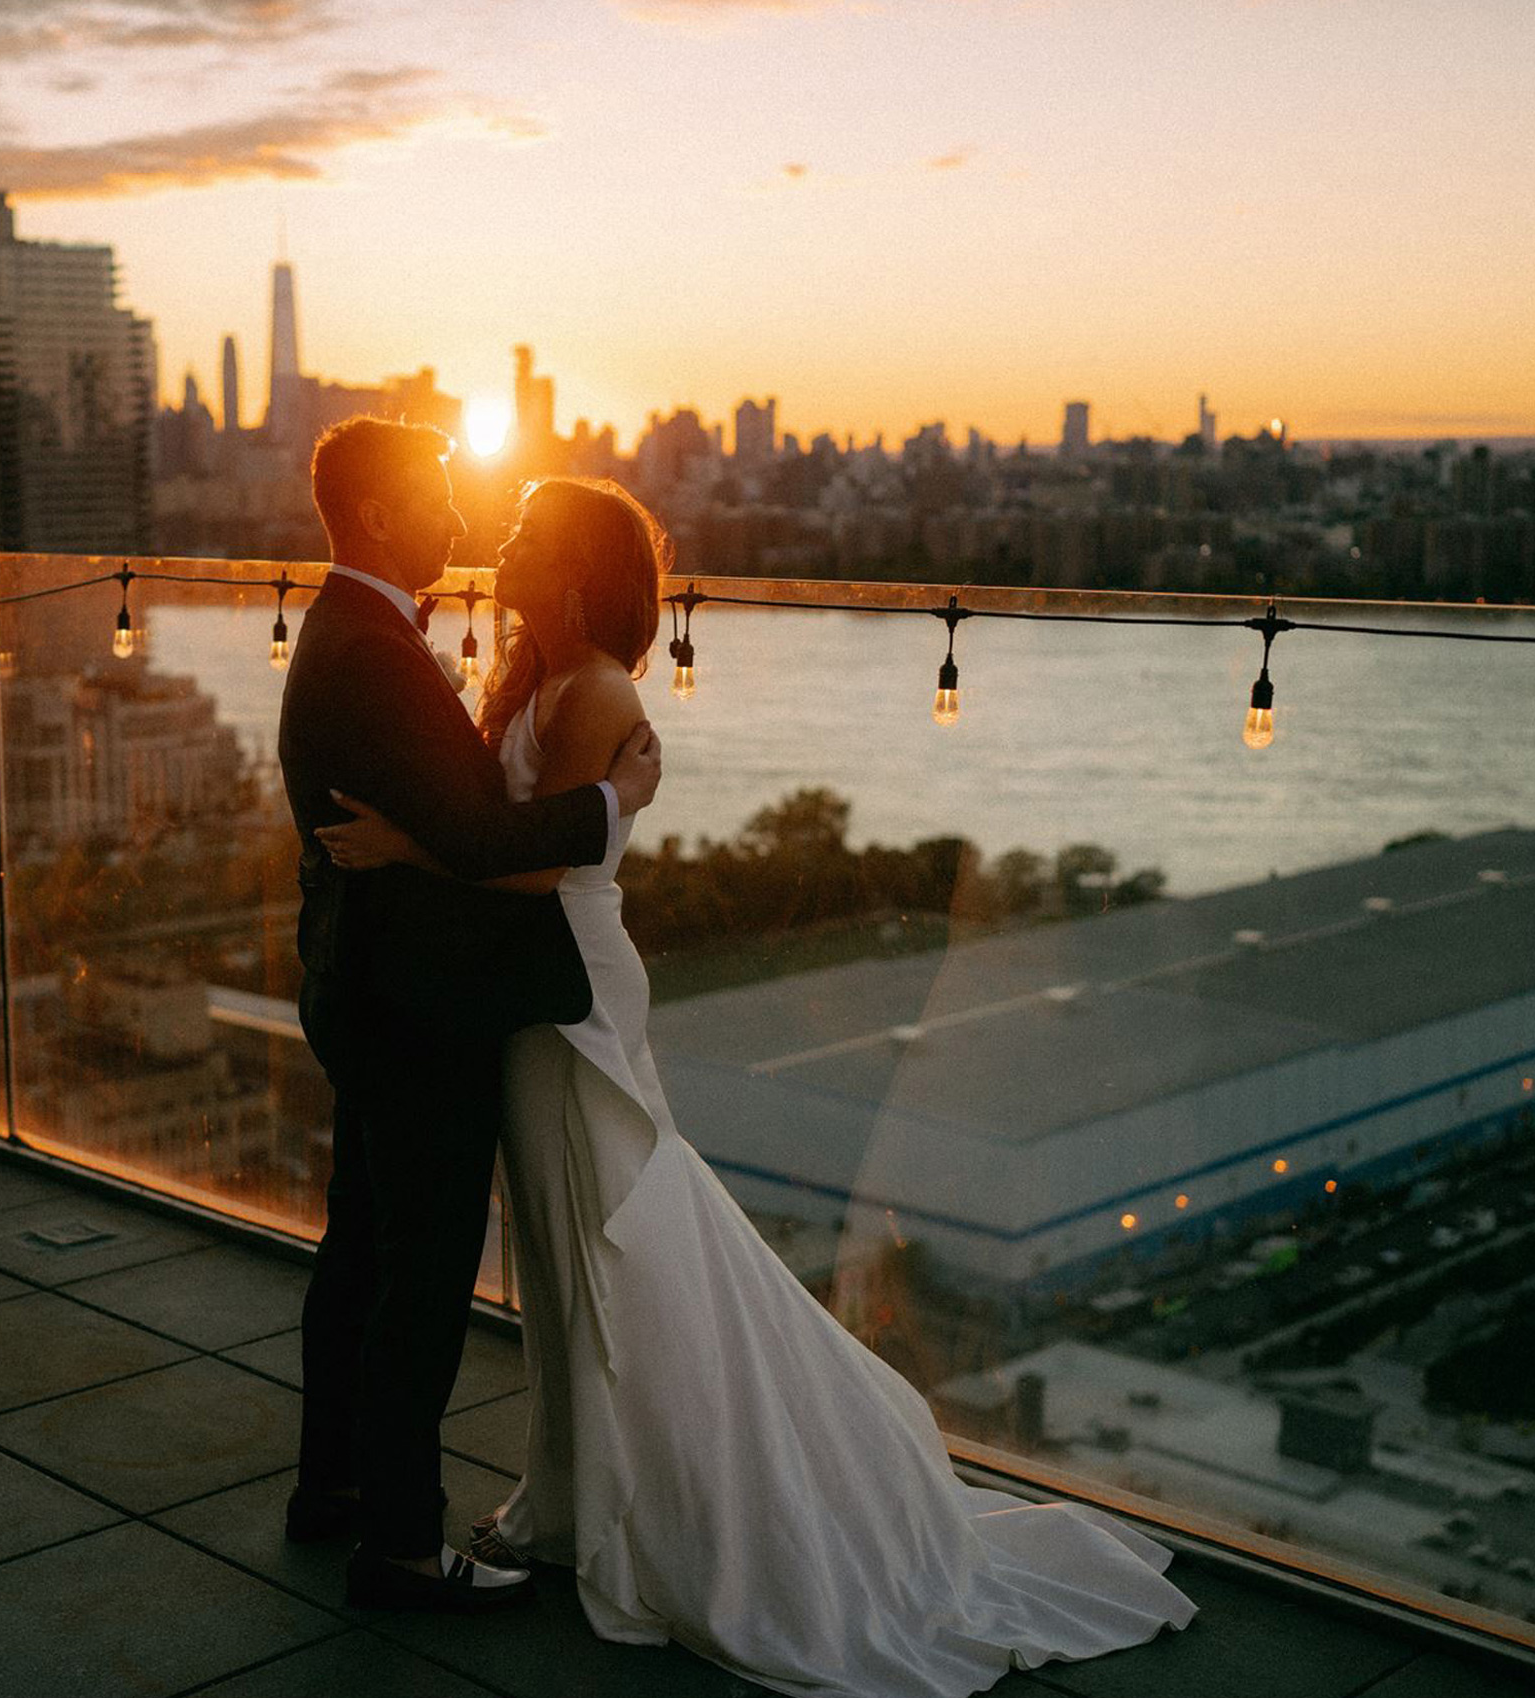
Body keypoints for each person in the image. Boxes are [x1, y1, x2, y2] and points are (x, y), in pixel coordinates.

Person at [314, 477, 1197, 1695]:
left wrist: (421, 844)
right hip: (521, 996)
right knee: (570, 1252)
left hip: (567, 987)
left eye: (523, 534)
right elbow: (499, 821)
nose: (498, 544)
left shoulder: (601, 690)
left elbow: (527, 866)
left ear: (573, 567)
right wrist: (479, 827)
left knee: (619, 1235)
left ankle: (680, 1500)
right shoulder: (530, 674)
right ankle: (572, 1495)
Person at [276, 418, 665, 1613]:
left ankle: (333, 1485)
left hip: (376, 990)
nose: (464, 519)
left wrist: (415, 838)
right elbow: (485, 837)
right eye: (442, 495)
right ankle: (396, 1542)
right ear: (386, 514)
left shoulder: (353, 630)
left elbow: (455, 828)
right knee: (419, 1275)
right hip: (419, 1009)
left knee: (363, 1250)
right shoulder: (381, 651)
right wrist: (614, 801)